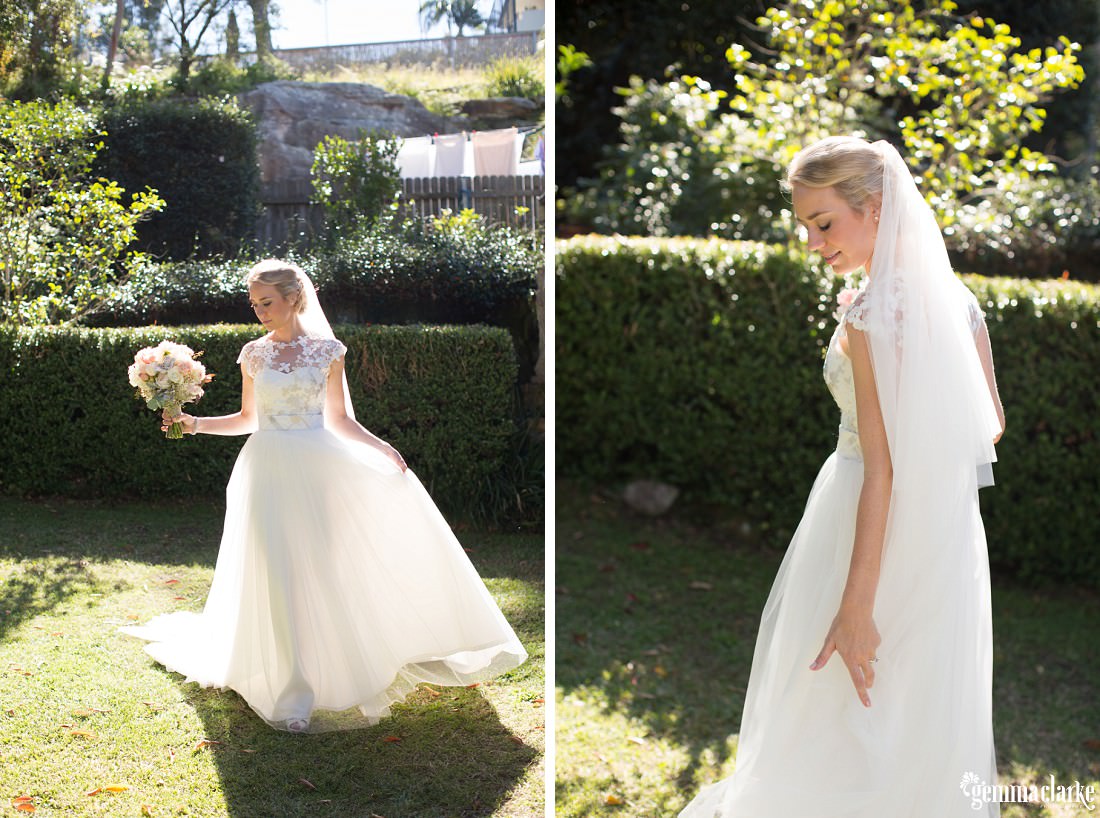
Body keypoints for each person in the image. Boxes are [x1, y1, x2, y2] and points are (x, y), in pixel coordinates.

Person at [678, 137, 1005, 817]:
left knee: (838, 710)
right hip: (943, 535)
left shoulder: (869, 314)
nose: (811, 241)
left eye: (823, 224)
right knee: (914, 710)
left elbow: (882, 465)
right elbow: (991, 427)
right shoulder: (956, 300)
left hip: (865, 521)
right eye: (804, 226)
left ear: (877, 208)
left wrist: (856, 605)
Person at [123, 259, 527, 733]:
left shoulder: (328, 351)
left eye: (266, 302)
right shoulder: (254, 353)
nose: (259, 312)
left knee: (320, 569)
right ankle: (293, 691)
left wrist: (381, 447)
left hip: (321, 469)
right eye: (254, 304)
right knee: (278, 571)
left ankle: (338, 667)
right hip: (267, 469)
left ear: (294, 298)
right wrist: (193, 423)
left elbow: (339, 419)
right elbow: (248, 418)